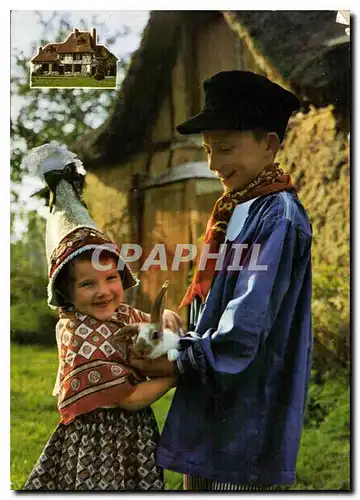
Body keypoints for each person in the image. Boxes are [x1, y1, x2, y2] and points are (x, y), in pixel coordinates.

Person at [129, 70, 313, 490]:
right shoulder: (234, 210)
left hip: (244, 406)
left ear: (269, 145)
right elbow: (217, 297)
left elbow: (246, 324)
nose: (213, 163)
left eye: (226, 148)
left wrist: (177, 360)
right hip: (212, 397)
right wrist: (184, 324)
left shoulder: (278, 218)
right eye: (208, 149)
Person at [21, 144, 180, 491]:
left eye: (110, 278)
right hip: (98, 446)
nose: (104, 291)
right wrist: (178, 376)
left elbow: (157, 322)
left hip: (132, 438)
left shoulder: (123, 314)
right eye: (88, 284)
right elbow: (129, 398)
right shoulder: (76, 332)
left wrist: (167, 316)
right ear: (66, 292)